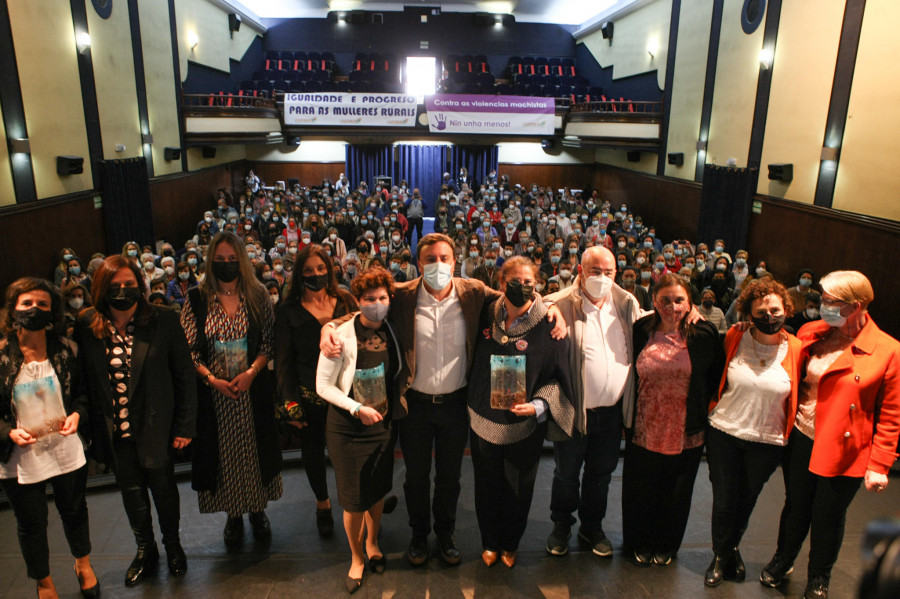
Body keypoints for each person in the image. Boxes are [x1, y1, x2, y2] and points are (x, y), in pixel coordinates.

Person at [321, 233, 566, 567]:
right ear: (419, 263)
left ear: (455, 261)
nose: (438, 264)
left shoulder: (474, 292)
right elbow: (364, 312)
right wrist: (329, 328)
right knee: (416, 477)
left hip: (455, 403)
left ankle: (446, 535)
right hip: (415, 405)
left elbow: (522, 301)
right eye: (430, 259)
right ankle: (419, 535)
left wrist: (553, 307)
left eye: (444, 258)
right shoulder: (402, 295)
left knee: (450, 477)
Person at [761, 271, 900, 599]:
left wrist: (879, 464)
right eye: (822, 299)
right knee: (795, 506)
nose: (822, 305)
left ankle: (819, 577)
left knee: (828, 515)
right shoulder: (812, 332)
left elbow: (892, 415)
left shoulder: (888, 350)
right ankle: (783, 560)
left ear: (857, 305)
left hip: (846, 447)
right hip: (801, 436)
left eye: (831, 302)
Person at [76, 256, 196, 586]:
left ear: (140, 286)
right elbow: (85, 380)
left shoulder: (163, 319)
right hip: (116, 431)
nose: (123, 291)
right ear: (101, 289)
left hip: (157, 426)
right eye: (115, 286)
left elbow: (184, 375)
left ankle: (173, 546)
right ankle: (146, 550)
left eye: (130, 284)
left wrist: (185, 425)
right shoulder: (88, 325)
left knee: (164, 491)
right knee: (132, 495)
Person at [469, 257, 576, 568]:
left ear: (537, 286)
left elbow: (558, 376)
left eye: (529, 283)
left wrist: (539, 405)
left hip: (525, 424)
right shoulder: (485, 313)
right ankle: (489, 542)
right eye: (515, 281)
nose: (523, 287)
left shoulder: (549, 324)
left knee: (518, 491)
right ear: (502, 284)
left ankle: (510, 544)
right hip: (483, 420)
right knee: (486, 487)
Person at [181, 232, 283, 547]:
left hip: (252, 392)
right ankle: (233, 515)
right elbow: (189, 351)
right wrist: (211, 379)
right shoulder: (197, 298)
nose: (226, 264)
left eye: (232, 259)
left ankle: (257, 511)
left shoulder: (259, 294)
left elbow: (269, 341)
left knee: (254, 454)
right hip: (215, 396)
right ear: (211, 261)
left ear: (242, 260)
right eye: (220, 260)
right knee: (224, 458)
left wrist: (252, 372)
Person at [0, 278, 99, 599]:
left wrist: (77, 415)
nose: (34, 310)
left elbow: (83, 396)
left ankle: (83, 564)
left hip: (64, 444)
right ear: (13, 308)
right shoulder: (1, 355)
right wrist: (8, 432)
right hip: (19, 455)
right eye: (26, 303)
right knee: (31, 523)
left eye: (42, 304)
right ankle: (44, 582)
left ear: (52, 311)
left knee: (74, 510)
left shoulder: (67, 348)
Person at [704, 279, 803, 587]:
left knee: (746, 500)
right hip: (725, 431)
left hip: (767, 441)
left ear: (786, 309)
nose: (769, 316)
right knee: (724, 501)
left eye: (775, 309)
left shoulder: (797, 348)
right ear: (748, 313)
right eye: (761, 311)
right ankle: (720, 556)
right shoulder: (735, 336)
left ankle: (732, 547)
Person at [544, 246, 641, 559]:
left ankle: (592, 527)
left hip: (611, 413)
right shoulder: (560, 303)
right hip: (573, 411)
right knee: (566, 474)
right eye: (595, 271)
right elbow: (536, 305)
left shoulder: (626, 303)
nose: (603, 278)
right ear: (580, 270)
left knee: (601, 476)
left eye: (608, 272)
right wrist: (550, 307)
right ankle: (561, 526)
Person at [623, 274, 724, 566]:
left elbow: (714, 378)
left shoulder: (703, 335)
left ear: (689, 301)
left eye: (679, 300)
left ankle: (666, 545)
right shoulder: (641, 329)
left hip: (685, 428)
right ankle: (638, 542)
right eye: (665, 299)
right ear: (653, 301)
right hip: (643, 426)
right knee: (640, 491)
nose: (672, 305)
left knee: (676, 493)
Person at [316, 267, 403, 594]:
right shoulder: (340, 334)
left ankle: (373, 542)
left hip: (381, 425)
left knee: (377, 489)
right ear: (358, 301)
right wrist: (356, 408)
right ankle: (355, 556)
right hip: (348, 427)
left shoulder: (393, 329)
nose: (377, 303)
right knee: (353, 500)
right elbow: (322, 385)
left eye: (382, 298)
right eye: (369, 298)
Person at [274, 245, 358, 538]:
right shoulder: (288, 311)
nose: (316, 275)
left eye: (321, 269)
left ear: (330, 269)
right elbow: (283, 363)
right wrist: (290, 404)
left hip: (347, 393)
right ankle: (323, 504)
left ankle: (359, 501)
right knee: (313, 453)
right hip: (310, 396)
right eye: (308, 270)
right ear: (298, 274)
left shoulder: (345, 299)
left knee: (350, 451)